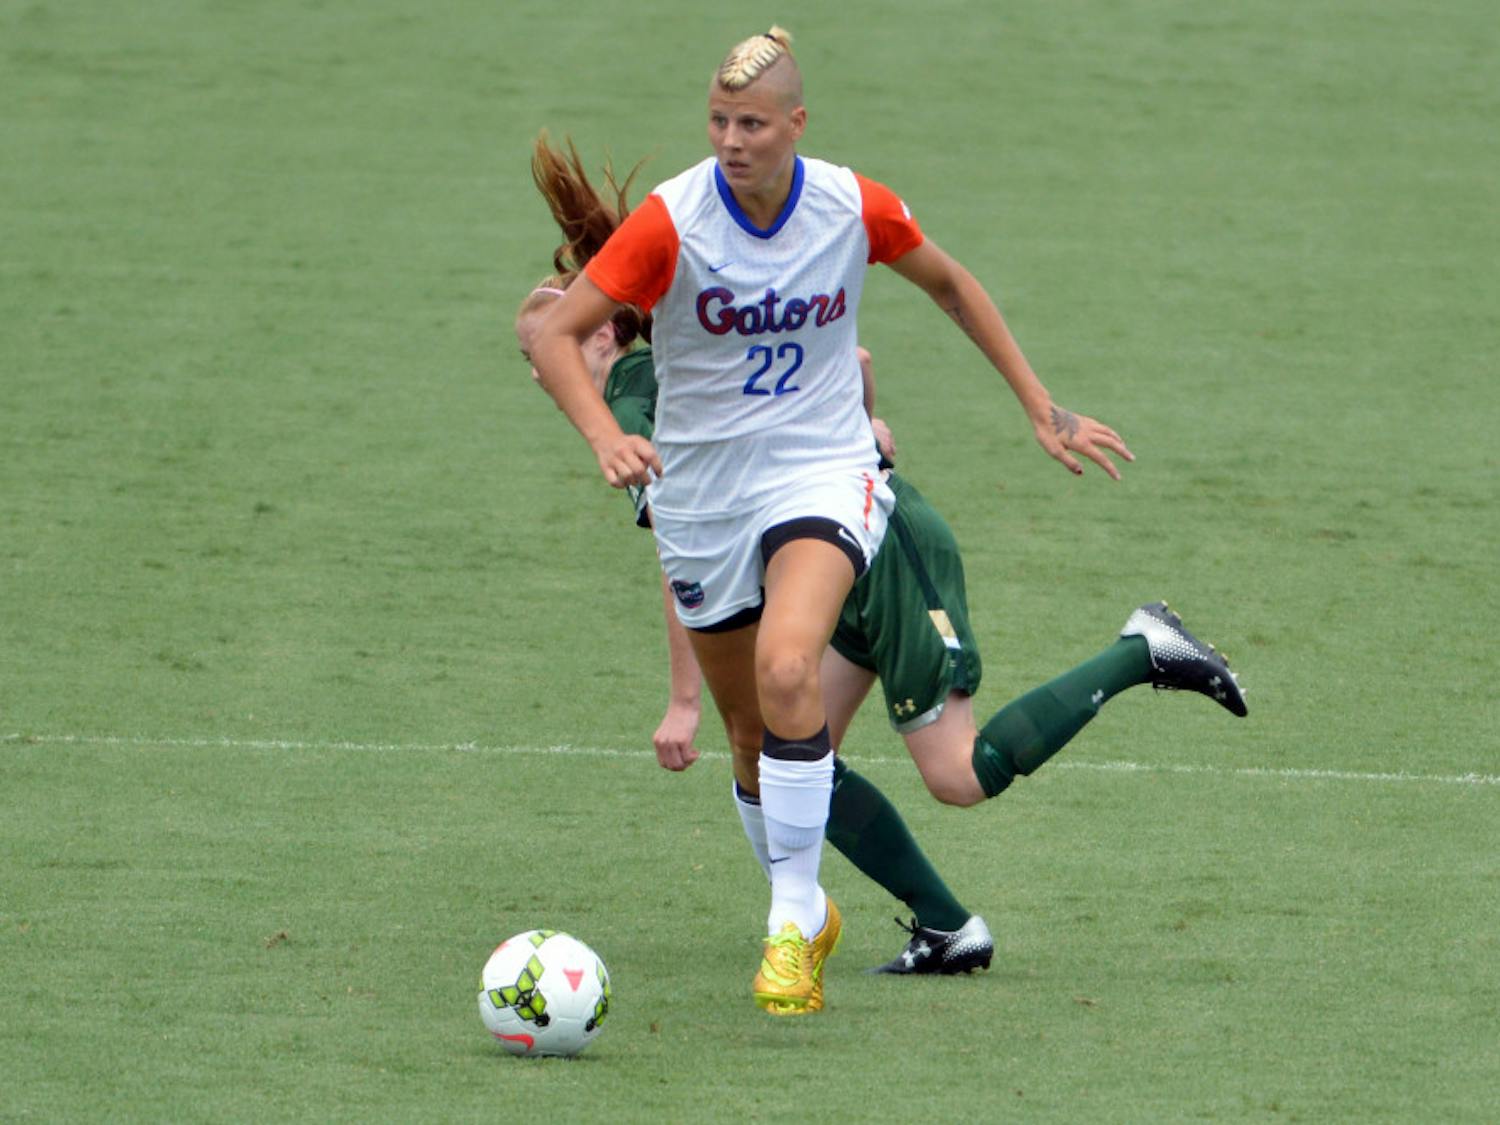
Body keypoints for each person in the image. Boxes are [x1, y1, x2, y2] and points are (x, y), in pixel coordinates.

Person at [531, 27, 1137, 1016]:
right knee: (747, 738)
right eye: (720, 122)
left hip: (822, 471)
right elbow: (558, 336)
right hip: (704, 497)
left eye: (754, 124)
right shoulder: (672, 221)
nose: (733, 140)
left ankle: (790, 916)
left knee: (787, 667)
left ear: (796, 125)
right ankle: (809, 910)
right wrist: (604, 434)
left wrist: (1040, 403)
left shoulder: (851, 205)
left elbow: (949, 282)